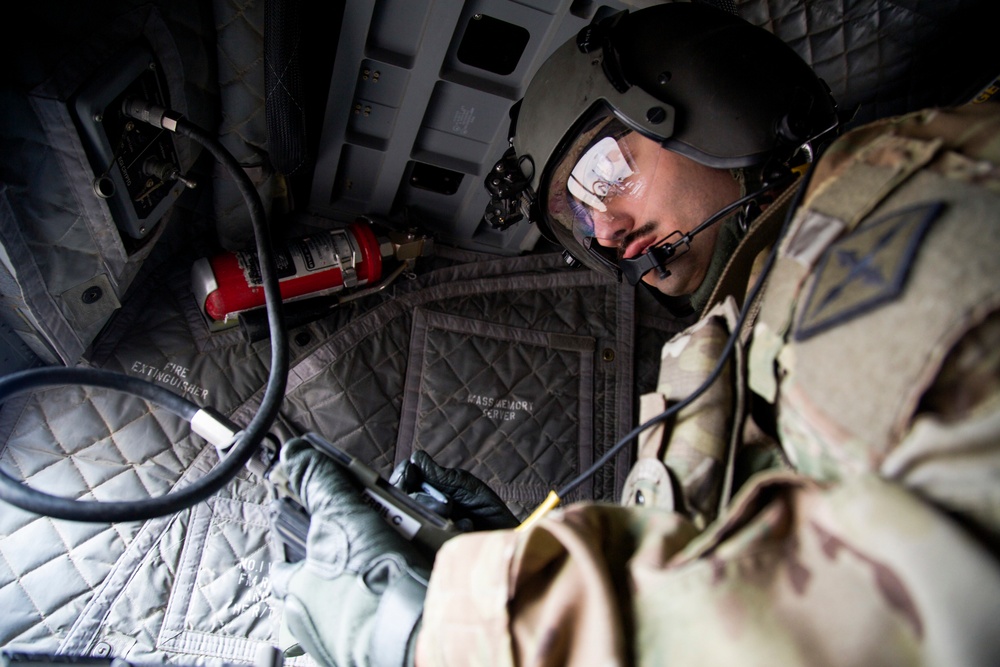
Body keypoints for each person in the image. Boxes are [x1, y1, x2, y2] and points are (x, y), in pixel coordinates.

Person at [269, 3, 1000, 665]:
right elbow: (719, 573)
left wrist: (452, 639)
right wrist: (514, 570)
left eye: (605, 173)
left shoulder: (903, 209)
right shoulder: (739, 335)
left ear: (712, 103)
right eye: (579, 218)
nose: (607, 232)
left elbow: (925, 599)